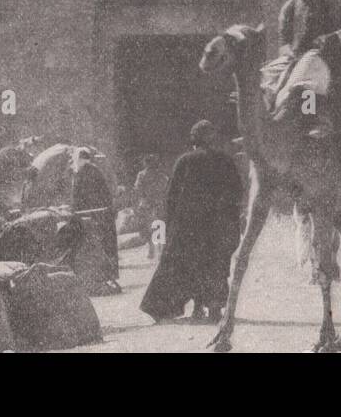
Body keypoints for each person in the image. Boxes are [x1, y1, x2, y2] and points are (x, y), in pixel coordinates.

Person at [140, 121, 244, 323]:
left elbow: (171, 197)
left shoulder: (184, 161)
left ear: (193, 139)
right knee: (216, 265)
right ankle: (214, 309)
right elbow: (237, 192)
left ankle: (196, 308)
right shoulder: (225, 161)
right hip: (218, 225)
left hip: (190, 227)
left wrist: (170, 225)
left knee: (193, 265)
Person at [261, 0, 341, 140]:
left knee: (308, 72)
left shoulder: (326, 3)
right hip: (296, 59)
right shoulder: (289, 8)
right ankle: (266, 119)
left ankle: (316, 120)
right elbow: (284, 43)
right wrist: (288, 53)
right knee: (268, 73)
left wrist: (329, 39)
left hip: (322, 59)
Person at [70, 147, 120, 291]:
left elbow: (77, 195)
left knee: (97, 245)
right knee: (102, 245)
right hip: (99, 214)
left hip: (93, 215)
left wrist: (74, 210)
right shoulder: (94, 170)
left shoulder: (82, 172)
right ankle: (105, 276)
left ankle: (100, 276)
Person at [133, 154, 169, 260]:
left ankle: (151, 249)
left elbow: (137, 188)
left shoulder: (141, 175)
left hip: (146, 204)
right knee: (159, 226)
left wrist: (142, 199)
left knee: (148, 227)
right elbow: (166, 188)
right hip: (158, 203)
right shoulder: (161, 175)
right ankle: (160, 251)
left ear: (145, 163)